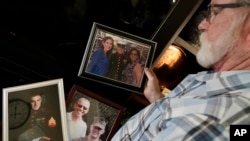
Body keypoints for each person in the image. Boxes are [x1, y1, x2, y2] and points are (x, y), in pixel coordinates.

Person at [112, 0, 250, 140]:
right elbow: (185, 118)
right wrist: (157, 100)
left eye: (215, 13)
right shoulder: (220, 84)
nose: (201, 25)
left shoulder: (220, 118)